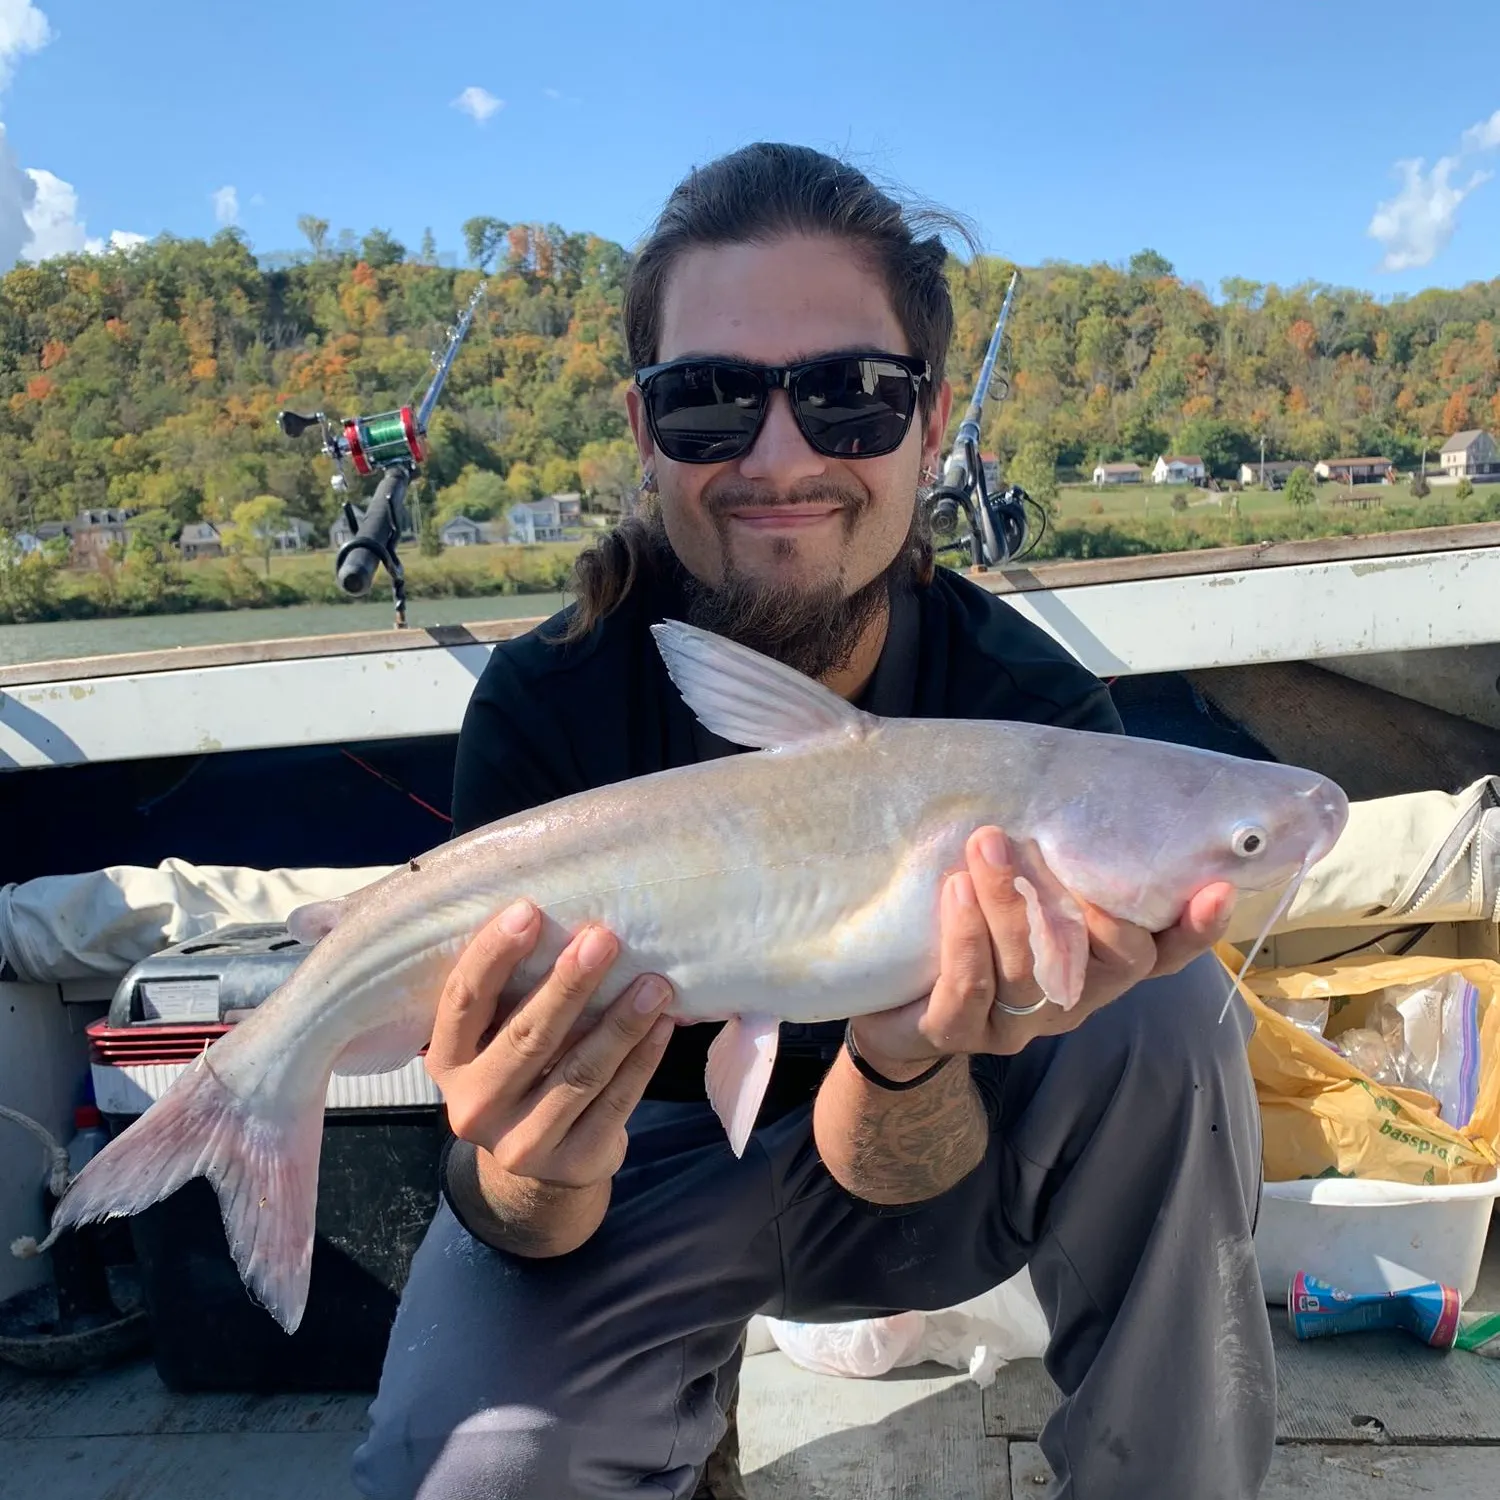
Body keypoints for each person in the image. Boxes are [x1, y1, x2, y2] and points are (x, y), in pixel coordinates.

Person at [352, 142, 1275, 1500]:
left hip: (938, 1161)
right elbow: (527, 1220)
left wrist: (906, 1055)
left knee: (1169, 1011)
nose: (780, 458)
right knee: (472, 1472)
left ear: (929, 418)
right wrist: (525, 1160)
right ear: (642, 426)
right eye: (711, 403)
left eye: (849, 397)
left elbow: (897, 1167)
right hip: (635, 1188)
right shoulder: (548, 709)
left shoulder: (1028, 708)